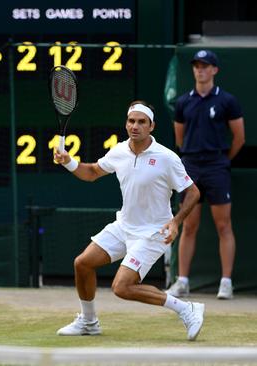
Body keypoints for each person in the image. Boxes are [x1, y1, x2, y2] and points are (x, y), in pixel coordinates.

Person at [54, 101, 204, 341]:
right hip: (124, 226)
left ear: (151, 126)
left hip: (154, 232)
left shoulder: (167, 158)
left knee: (122, 287)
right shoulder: (119, 151)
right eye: (131, 121)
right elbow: (92, 172)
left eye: (141, 122)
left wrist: (176, 222)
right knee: (82, 264)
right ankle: (89, 322)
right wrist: (68, 161)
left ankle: (187, 308)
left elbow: (193, 192)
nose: (135, 126)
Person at [167, 50, 245, 300]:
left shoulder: (227, 101)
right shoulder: (183, 102)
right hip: (190, 166)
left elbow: (239, 138)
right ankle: (182, 281)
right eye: (197, 66)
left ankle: (226, 282)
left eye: (205, 66)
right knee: (188, 225)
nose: (200, 70)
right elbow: (179, 138)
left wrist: (222, 161)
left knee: (224, 225)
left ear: (214, 70)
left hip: (217, 167)